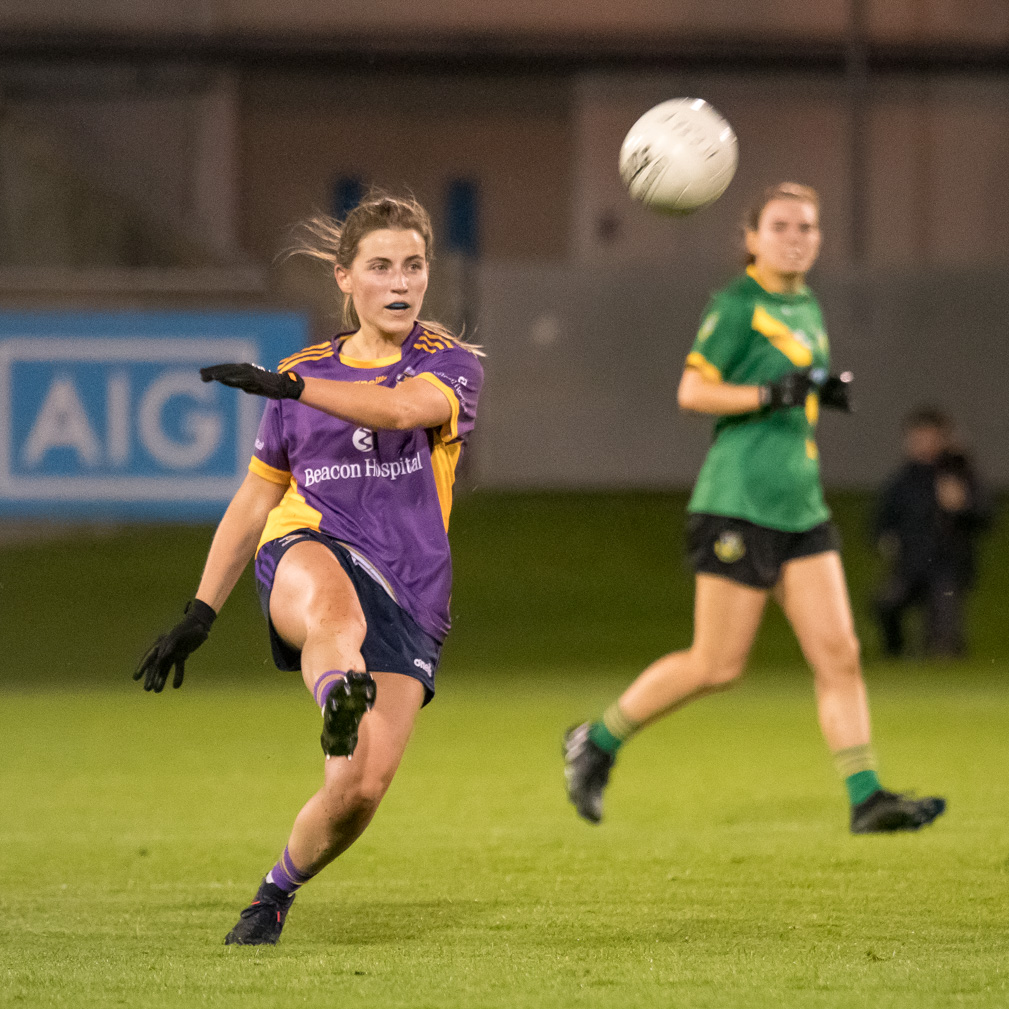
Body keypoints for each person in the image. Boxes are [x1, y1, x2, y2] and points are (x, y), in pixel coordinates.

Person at [134, 192, 483, 945]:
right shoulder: (304, 373)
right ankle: (338, 693)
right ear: (344, 278)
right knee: (334, 614)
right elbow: (256, 499)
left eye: (413, 265)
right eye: (381, 265)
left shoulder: (447, 367)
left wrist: (292, 387)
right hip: (309, 543)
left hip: (411, 589)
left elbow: (396, 411)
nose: (400, 281)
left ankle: (271, 895)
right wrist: (201, 610)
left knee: (357, 790)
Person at [563, 182, 945, 835]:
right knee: (715, 665)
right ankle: (596, 740)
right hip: (736, 504)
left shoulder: (806, 305)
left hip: (800, 507)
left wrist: (817, 391)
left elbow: (791, 389)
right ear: (751, 238)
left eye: (806, 225)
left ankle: (865, 796)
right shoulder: (737, 304)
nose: (795, 236)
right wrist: (771, 391)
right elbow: (692, 390)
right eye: (780, 225)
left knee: (840, 655)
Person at [874, 407, 991, 658]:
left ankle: (944, 657)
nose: (923, 442)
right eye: (917, 436)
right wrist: (885, 538)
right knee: (886, 604)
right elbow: (882, 520)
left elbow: (984, 516)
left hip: (947, 568)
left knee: (943, 640)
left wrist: (962, 506)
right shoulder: (902, 481)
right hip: (910, 565)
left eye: (929, 435)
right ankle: (895, 653)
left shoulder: (958, 474)